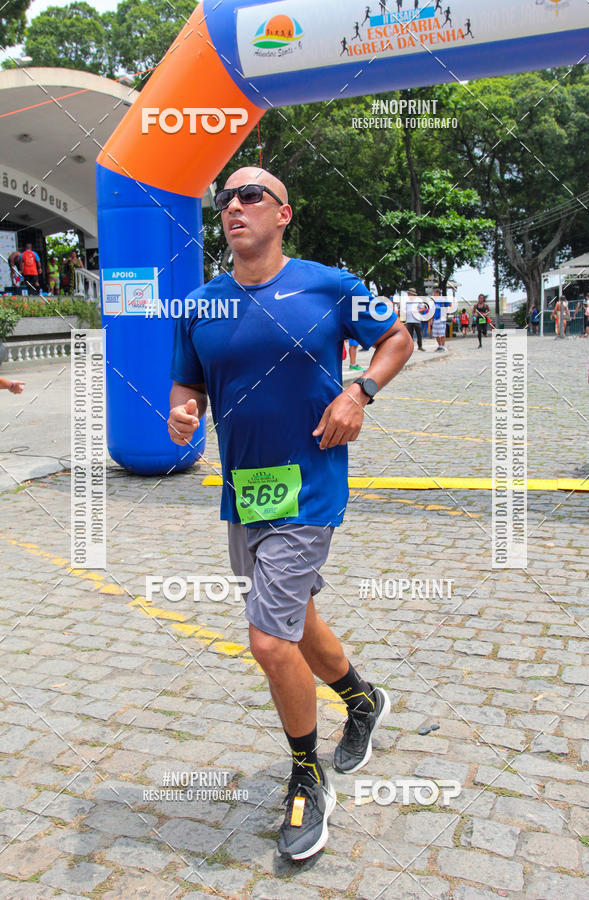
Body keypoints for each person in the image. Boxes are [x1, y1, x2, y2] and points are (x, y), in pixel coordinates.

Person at [168, 167, 413, 861]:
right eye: (226, 200)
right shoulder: (202, 305)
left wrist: (359, 392)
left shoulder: (331, 286)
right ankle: (362, 700)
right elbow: (188, 387)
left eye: (251, 196)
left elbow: (397, 339)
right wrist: (183, 414)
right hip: (247, 490)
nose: (234, 206)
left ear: (284, 214)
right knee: (294, 620)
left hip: (310, 484)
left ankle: (306, 775)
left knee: (268, 642)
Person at [432, 287, 448, 351]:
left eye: (434, 293)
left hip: (441, 319)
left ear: (438, 293)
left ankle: (443, 346)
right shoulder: (434, 301)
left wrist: (446, 313)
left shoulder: (443, 300)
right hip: (435, 319)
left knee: (442, 333)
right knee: (436, 334)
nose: (433, 294)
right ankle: (439, 346)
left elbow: (449, 305)